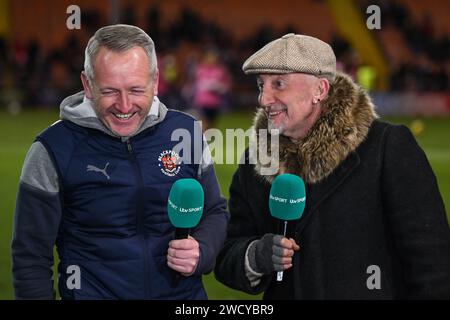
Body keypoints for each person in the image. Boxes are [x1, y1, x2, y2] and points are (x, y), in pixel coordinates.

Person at [214, 33, 450, 299]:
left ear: (320, 90)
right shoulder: (255, 162)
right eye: (261, 85)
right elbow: (227, 253)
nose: (263, 99)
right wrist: (255, 256)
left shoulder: (386, 147)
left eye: (278, 84)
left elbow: (431, 260)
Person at [12, 24, 228, 300]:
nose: (125, 107)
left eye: (136, 90)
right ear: (87, 84)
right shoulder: (53, 149)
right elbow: (31, 255)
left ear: (155, 81)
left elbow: (214, 211)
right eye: (111, 91)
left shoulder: (186, 133)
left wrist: (202, 250)